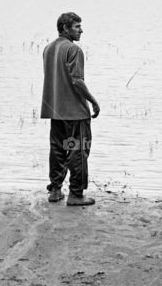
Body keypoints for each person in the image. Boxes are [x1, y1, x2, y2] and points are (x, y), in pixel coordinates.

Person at [41, 12, 100, 206]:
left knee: (58, 149)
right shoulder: (74, 50)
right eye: (77, 26)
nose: (81, 30)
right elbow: (76, 81)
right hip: (75, 112)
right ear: (65, 28)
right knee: (78, 151)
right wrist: (93, 101)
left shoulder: (48, 48)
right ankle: (76, 194)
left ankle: (55, 190)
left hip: (55, 110)